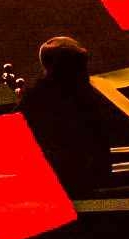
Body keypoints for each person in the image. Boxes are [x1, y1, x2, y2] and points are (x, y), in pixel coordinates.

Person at [16, 34, 122, 199]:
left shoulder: (35, 98)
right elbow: (101, 147)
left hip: (48, 182)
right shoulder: (89, 99)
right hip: (88, 180)